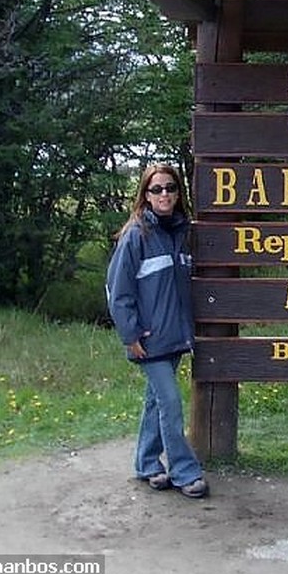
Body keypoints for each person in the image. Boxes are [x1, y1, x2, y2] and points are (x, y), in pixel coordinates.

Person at [106, 163, 209, 499]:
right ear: (145, 195)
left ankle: (147, 462)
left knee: (156, 403)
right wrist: (130, 336)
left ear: (178, 193)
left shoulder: (180, 233)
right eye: (156, 189)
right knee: (170, 402)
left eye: (170, 188)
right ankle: (184, 471)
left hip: (174, 337)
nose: (164, 194)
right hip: (148, 340)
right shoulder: (136, 235)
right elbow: (118, 291)